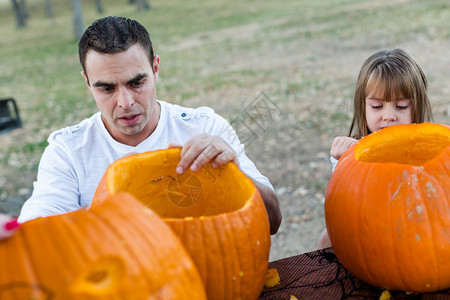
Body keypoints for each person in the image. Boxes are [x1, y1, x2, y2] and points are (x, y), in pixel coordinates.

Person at [18, 16, 282, 234]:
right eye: (107, 88)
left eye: (136, 83)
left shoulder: (206, 127)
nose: (125, 102)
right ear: (88, 82)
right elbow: (41, 219)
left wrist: (235, 173)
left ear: (155, 68)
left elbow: (272, 221)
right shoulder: (68, 149)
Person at [317, 48, 434, 249]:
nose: (388, 116)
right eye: (377, 107)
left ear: (418, 105)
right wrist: (344, 162)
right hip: (368, 230)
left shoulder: (428, 149)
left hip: (415, 230)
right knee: (327, 236)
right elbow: (344, 205)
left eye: (401, 106)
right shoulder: (354, 148)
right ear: (362, 106)